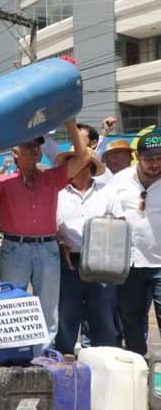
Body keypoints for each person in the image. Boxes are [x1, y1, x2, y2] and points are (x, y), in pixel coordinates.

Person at [0, 119, 90, 348]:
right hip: (15, 248)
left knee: (48, 304)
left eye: (37, 145)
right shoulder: (4, 181)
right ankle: (15, 351)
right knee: (12, 303)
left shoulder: (51, 177)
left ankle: (43, 353)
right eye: (28, 146)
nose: (35, 149)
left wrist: (70, 125)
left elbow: (84, 159)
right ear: (16, 152)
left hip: (47, 247)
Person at [54, 147, 122, 354]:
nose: (69, 167)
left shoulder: (107, 192)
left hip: (102, 262)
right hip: (68, 262)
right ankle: (64, 360)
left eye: (75, 162)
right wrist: (59, 241)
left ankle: (103, 359)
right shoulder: (58, 194)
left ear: (87, 166)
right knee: (66, 314)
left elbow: (121, 224)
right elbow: (50, 226)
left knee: (102, 314)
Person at [108, 132, 161, 356]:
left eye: (160, 158)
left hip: (160, 264)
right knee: (131, 323)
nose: (156, 164)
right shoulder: (119, 182)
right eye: (150, 159)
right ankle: (138, 374)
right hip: (129, 266)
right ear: (137, 157)